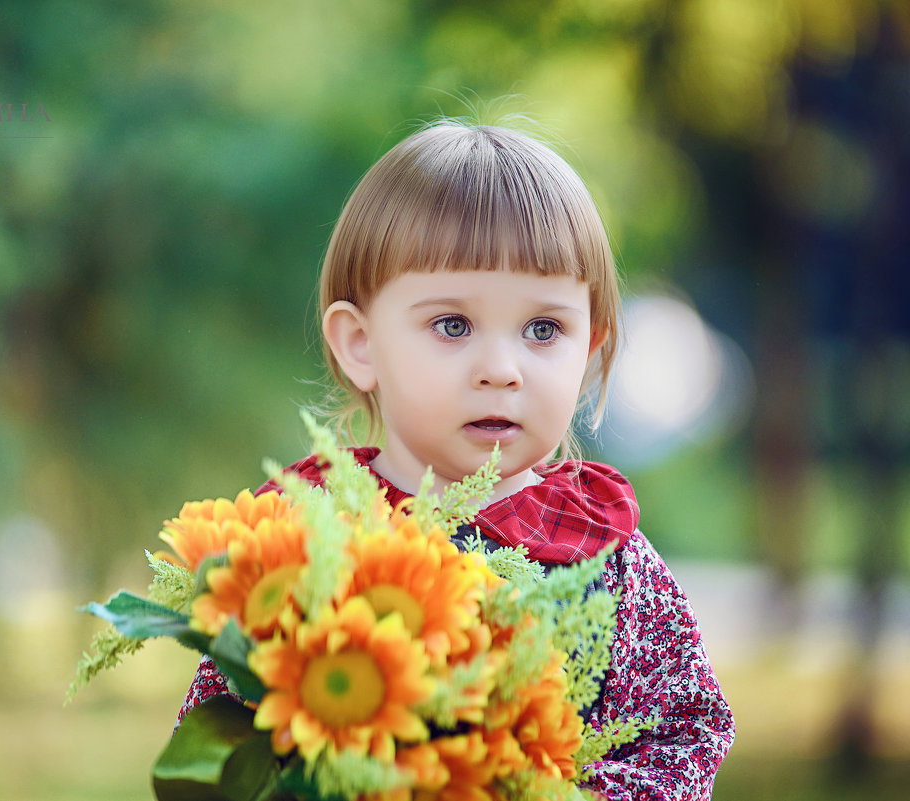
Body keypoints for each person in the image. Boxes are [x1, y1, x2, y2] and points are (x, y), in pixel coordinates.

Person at [177, 120, 734, 800]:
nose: (501, 369)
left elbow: (680, 735)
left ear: (588, 353)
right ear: (361, 343)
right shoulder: (301, 542)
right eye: (453, 325)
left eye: (543, 329)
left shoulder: (606, 557)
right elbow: (213, 740)